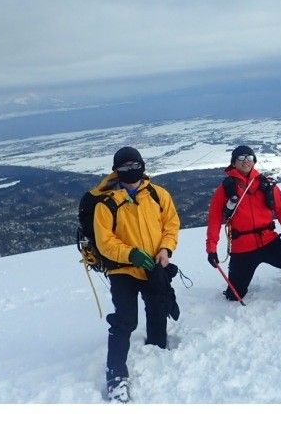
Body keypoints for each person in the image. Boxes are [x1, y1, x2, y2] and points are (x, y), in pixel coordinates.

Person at [93, 146, 181, 403]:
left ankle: (157, 348)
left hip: (154, 265)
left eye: (136, 165)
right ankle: (116, 377)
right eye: (125, 167)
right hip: (122, 270)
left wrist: (166, 249)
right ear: (116, 171)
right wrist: (130, 254)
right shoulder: (106, 203)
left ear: (142, 166)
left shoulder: (157, 194)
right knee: (125, 320)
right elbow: (104, 242)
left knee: (157, 307)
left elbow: (171, 224)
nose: (131, 171)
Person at [206, 145, 281, 301]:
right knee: (235, 295)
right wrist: (211, 249)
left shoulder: (266, 184)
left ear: (254, 161)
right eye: (241, 158)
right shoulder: (225, 189)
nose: (245, 161)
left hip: (269, 240)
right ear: (233, 163)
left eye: (249, 157)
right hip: (243, 248)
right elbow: (214, 220)